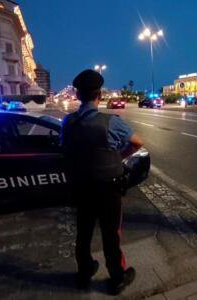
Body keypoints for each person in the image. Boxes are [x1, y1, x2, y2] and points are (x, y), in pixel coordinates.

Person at [61, 69, 144, 294]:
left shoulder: (67, 122)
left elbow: (66, 150)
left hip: (81, 186)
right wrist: (117, 156)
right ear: (99, 95)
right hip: (108, 188)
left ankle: (84, 271)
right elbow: (137, 142)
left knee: (84, 231)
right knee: (110, 233)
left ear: (78, 95)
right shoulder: (111, 122)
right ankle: (117, 278)